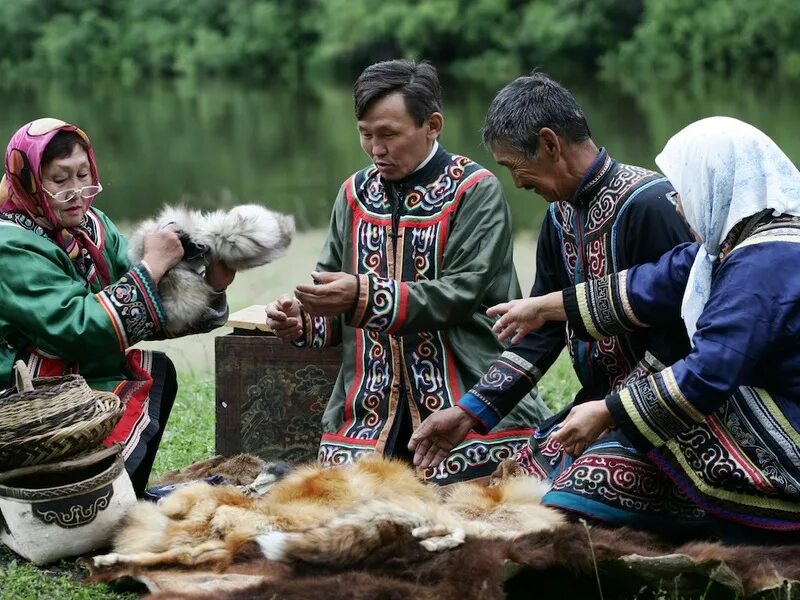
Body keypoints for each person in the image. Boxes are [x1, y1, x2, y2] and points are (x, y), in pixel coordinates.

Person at [458, 116, 800, 537]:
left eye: (684, 189)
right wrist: (545, 308)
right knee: (555, 462)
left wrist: (609, 410)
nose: (677, 203)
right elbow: (652, 281)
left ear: (716, 184)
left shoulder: (766, 261)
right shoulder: (730, 249)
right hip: (756, 406)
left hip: (788, 430)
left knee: (611, 465)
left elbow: (711, 369)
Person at [410, 73, 696, 524]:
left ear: (549, 143)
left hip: (665, 413)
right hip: (596, 405)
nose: (516, 183)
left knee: (571, 497)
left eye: (512, 166)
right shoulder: (558, 217)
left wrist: (614, 411)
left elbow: (685, 336)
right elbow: (539, 329)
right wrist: (469, 412)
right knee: (509, 487)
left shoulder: (652, 203)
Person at [265, 60, 551, 484]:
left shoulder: (475, 190)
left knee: (476, 501)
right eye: (365, 134)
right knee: (343, 506)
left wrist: (362, 295)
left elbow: (460, 294)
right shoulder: (353, 194)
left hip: (465, 400)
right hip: (368, 413)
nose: (377, 149)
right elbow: (329, 293)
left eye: (389, 134)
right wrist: (301, 319)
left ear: (432, 125)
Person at [0, 118, 235, 496]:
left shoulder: (91, 226)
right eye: (60, 181)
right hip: (22, 397)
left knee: (155, 371)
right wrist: (152, 265)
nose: (77, 192)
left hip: (70, 372)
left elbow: (144, 304)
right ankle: (85, 495)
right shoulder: (9, 244)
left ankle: (121, 495)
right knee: (135, 375)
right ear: (28, 180)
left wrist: (210, 285)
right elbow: (76, 327)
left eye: (83, 174)